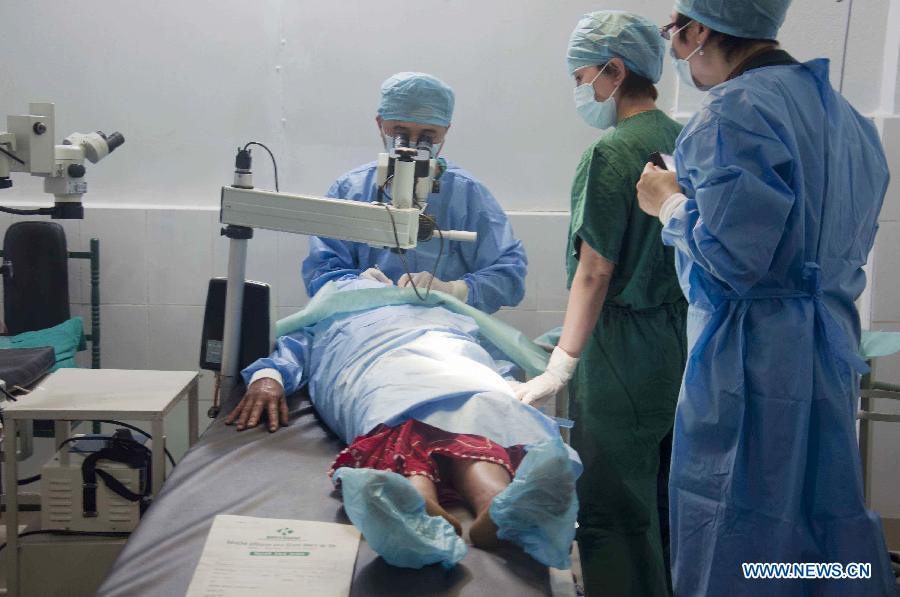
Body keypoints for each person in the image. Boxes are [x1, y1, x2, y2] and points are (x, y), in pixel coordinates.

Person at [636, 1, 895, 594]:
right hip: (828, 353)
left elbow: (736, 261)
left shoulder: (733, 111)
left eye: (676, 33)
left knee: (738, 526)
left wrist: (668, 204)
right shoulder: (848, 119)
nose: (677, 50)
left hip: (750, 362)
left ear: (699, 29)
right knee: (822, 523)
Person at [224, 278, 579, 570]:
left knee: (478, 407)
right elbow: (287, 355)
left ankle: (491, 504)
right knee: (412, 413)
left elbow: (485, 353)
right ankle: (430, 503)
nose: (376, 281)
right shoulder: (327, 318)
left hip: (453, 363)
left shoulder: (440, 309)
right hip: (371, 365)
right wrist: (267, 378)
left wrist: (506, 381)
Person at [514, 11, 687, 596]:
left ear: (615, 70)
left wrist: (561, 362)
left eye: (583, 75)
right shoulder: (685, 140)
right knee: (667, 497)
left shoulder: (610, 153)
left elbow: (595, 270)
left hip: (620, 355)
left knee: (613, 509)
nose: (581, 90)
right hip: (678, 340)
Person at [302, 72, 527, 314]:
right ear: (380, 124)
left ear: (445, 132)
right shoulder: (349, 190)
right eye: (400, 131)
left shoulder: (467, 194)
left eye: (428, 137)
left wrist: (455, 290)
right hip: (364, 328)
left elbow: (509, 274)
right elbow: (321, 272)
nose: (412, 145)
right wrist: (356, 287)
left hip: (446, 330)